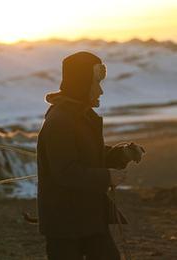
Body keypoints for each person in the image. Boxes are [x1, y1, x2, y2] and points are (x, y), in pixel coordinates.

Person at [37, 51, 144, 260]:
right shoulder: (60, 121)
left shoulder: (81, 115)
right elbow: (66, 172)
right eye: (96, 83)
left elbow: (91, 155)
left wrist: (122, 154)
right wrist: (107, 177)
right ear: (81, 83)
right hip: (65, 224)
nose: (101, 91)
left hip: (88, 217)